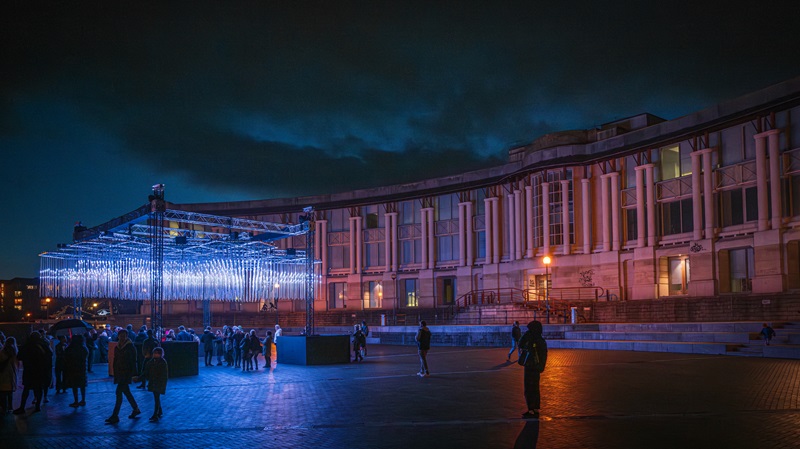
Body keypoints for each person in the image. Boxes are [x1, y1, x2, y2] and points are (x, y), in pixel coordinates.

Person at [105, 329, 140, 424]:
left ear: (126, 336)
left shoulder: (130, 347)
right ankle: (135, 409)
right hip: (119, 374)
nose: (122, 337)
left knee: (119, 393)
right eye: (121, 335)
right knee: (126, 393)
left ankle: (115, 415)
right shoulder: (117, 347)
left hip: (126, 373)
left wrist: (134, 374)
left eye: (124, 335)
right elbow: (115, 360)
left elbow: (133, 361)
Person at [14, 332, 52, 414]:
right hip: (40, 371)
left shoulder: (27, 346)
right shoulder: (43, 345)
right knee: (38, 389)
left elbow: (19, 357)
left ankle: (22, 407)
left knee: (26, 389)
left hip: (28, 370)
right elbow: (50, 355)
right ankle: (38, 406)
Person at [518, 320, 548, 418]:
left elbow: (520, 344)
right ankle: (535, 408)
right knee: (535, 388)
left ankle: (531, 408)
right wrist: (541, 366)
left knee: (529, 388)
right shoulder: (540, 340)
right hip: (536, 367)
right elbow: (544, 355)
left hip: (530, 366)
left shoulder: (531, 338)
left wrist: (526, 334)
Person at [142, 346, 168, 422]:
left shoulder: (162, 362)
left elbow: (164, 375)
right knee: (156, 397)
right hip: (154, 382)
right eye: (155, 353)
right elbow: (146, 372)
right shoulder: (152, 362)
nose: (155, 354)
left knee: (156, 398)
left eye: (157, 353)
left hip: (158, 382)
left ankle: (155, 414)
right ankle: (159, 411)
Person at [63, 334, 89, 407]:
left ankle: (76, 401)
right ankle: (83, 400)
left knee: (74, 385)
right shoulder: (83, 348)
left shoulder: (70, 349)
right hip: (82, 369)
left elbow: (66, 357)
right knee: (82, 385)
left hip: (73, 369)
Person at [0, 337, 18, 414]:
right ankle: (10, 407)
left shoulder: (1, 352)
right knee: (10, 392)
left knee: (3, 392)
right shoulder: (14, 352)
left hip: (2, 373)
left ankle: (4, 408)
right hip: (11, 373)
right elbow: (15, 364)